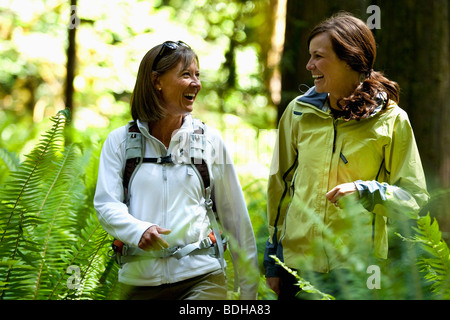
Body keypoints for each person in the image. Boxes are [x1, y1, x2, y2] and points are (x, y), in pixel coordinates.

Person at [264, 12, 429, 299]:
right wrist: (273, 259)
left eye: (318, 56)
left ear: (350, 59)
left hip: (359, 269)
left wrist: (367, 191)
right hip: (298, 265)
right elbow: (279, 189)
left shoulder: (392, 119)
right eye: (309, 55)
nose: (309, 65)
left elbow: (413, 197)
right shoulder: (298, 112)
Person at [94, 40, 258, 300]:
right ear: (156, 81)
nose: (196, 83)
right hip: (138, 283)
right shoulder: (120, 142)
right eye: (185, 74)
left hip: (203, 277)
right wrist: (138, 231)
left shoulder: (210, 141)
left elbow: (236, 219)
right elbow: (106, 204)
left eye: (197, 75)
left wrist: (249, 293)